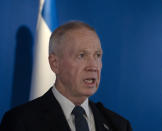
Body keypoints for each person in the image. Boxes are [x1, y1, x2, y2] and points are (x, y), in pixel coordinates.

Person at [0, 21, 132, 131]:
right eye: (81, 55)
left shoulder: (119, 125)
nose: (93, 66)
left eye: (97, 55)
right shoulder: (20, 122)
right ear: (55, 63)